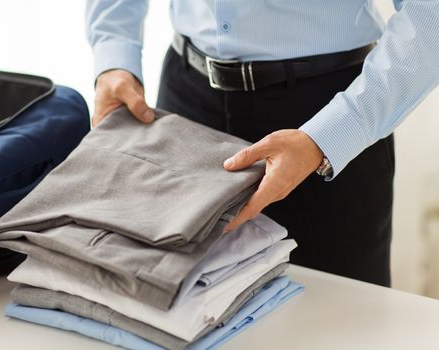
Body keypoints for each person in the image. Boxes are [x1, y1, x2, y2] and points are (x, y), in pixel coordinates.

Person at [85, 0, 439, 287]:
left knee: (337, 322)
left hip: (328, 117)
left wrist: (327, 136)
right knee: (175, 302)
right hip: (185, 99)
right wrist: (115, 56)